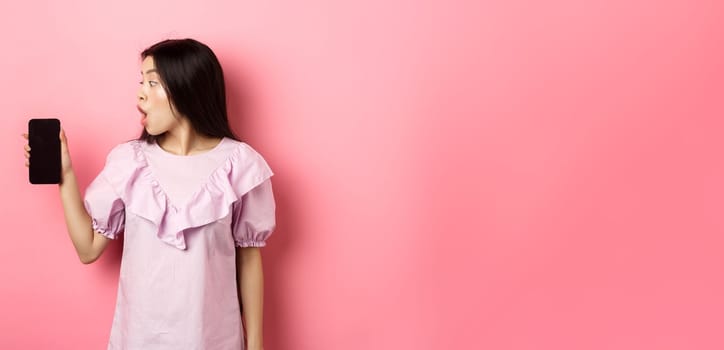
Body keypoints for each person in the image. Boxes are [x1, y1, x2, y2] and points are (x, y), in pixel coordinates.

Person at [22, 38, 275, 350]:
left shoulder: (240, 164)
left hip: (214, 340)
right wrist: (66, 174)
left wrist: (256, 344)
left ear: (188, 88)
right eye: (142, 81)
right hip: (140, 340)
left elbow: (249, 260)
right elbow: (88, 249)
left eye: (153, 82)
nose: (140, 92)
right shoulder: (130, 162)